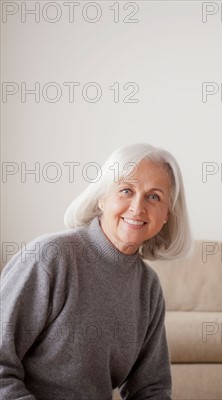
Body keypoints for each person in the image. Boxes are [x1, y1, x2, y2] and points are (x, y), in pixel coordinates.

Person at [0, 144, 193, 399]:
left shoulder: (148, 287)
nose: (138, 207)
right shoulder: (50, 257)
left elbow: (151, 388)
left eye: (154, 196)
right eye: (126, 190)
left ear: (167, 213)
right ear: (102, 198)